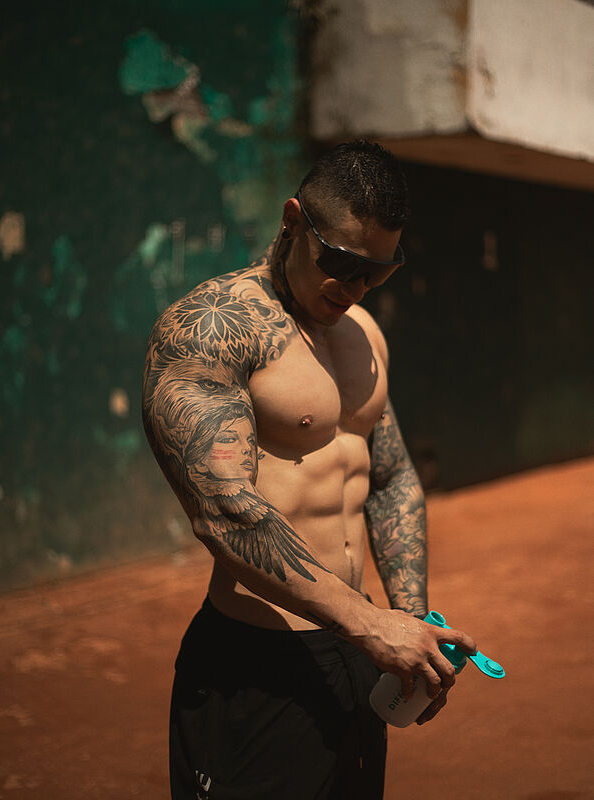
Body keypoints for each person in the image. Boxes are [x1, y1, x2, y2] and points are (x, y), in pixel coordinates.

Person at [142, 140, 477, 800]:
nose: (354, 288)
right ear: (293, 221)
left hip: (358, 653)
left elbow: (389, 478)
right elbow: (224, 512)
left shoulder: (363, 334)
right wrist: (371, 624)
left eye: (377, 273)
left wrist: (411, 621)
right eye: (342, 263)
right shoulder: (211, 329)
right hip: (259, 659)